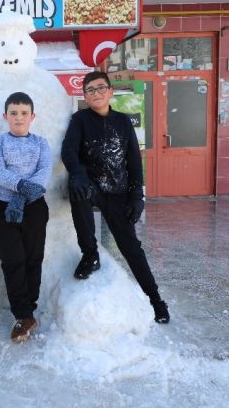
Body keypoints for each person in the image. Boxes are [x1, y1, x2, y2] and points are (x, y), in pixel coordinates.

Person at [61, 71, 170, 324]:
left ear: (110, 92)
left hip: (118, 191)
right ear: (85, 97)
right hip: (91, 187)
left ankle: (155, 300)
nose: (96, 94)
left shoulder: (123, 122)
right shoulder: (79, 120)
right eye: (90, 90)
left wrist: (137, 195)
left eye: (101, 88)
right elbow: (69, 151)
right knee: (78, 194)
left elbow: (134, 160)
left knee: (130, 247)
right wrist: (77, 174)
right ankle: (90, 254)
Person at [0, 92, 52, 343]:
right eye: (13, 113)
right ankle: (21, 315)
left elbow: (44, 173)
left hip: (34, 207)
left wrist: (23, 196)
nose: (18, 117)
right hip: (1, 208)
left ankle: (28, 312)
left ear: (32, 116)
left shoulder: (41, 143)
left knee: (33, 258)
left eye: (24, 113)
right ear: (6, 116)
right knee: (13, 260)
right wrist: (22, 188)